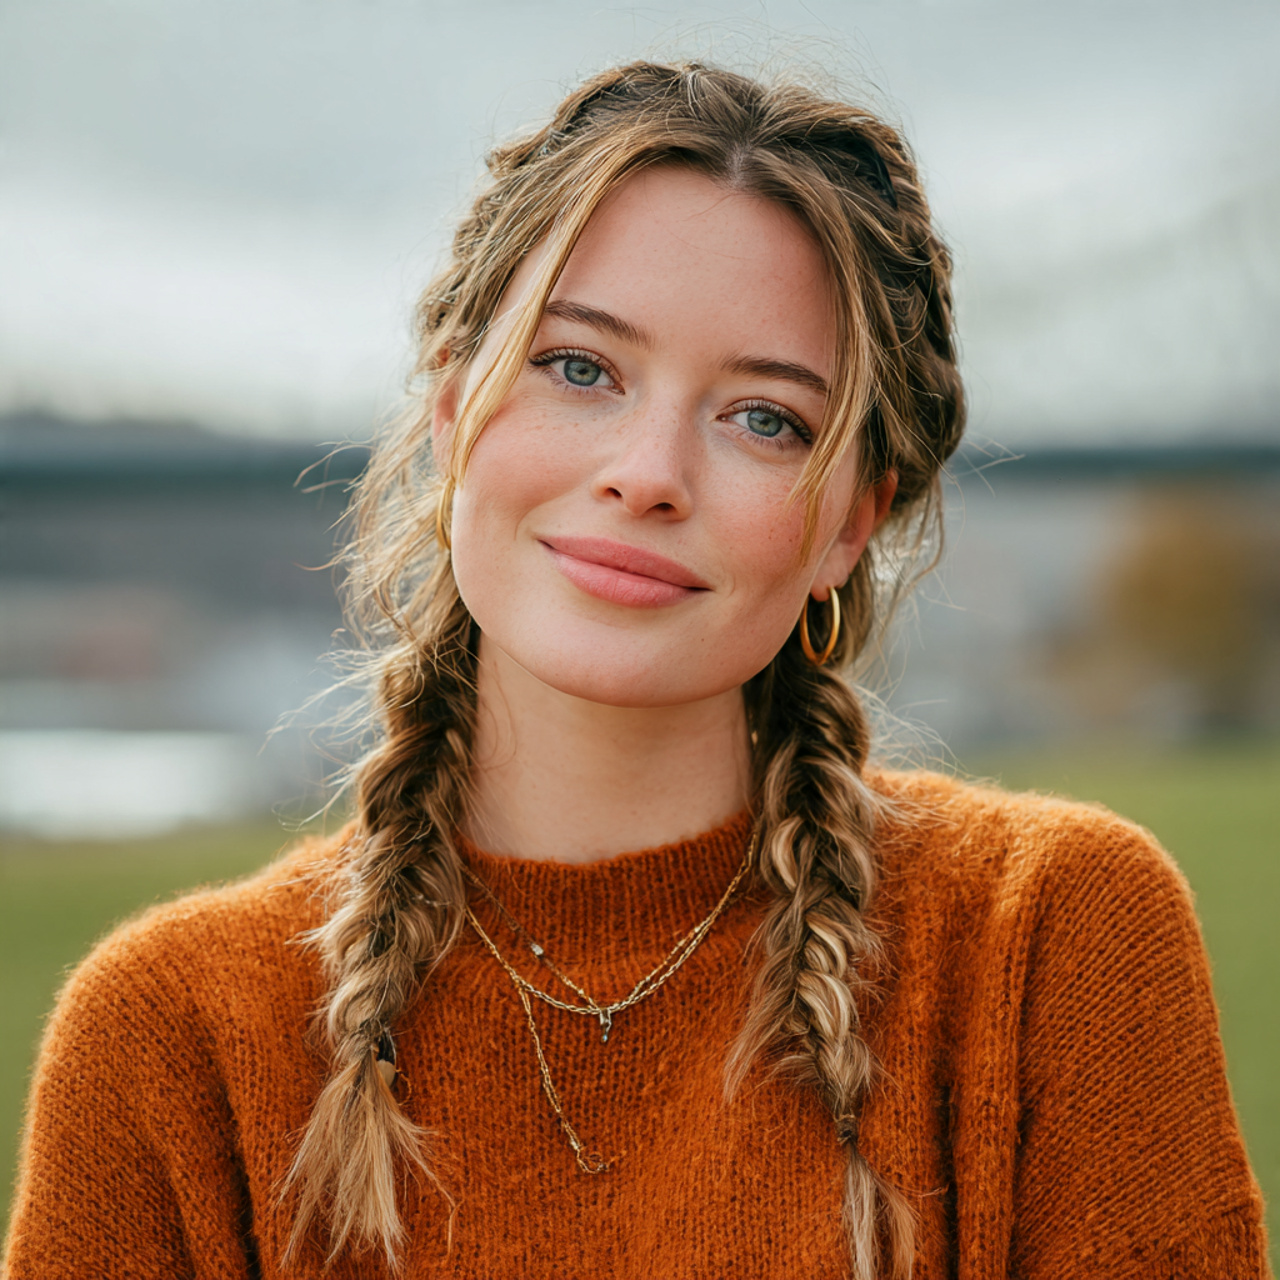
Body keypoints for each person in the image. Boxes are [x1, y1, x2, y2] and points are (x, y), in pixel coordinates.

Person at [4, 61, 1267, 1280]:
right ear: (453, 416)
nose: (648, 469)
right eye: (579, 368)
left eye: (763, 417)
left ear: (849, 523)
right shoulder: (168, 1037)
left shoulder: (1047, 935)